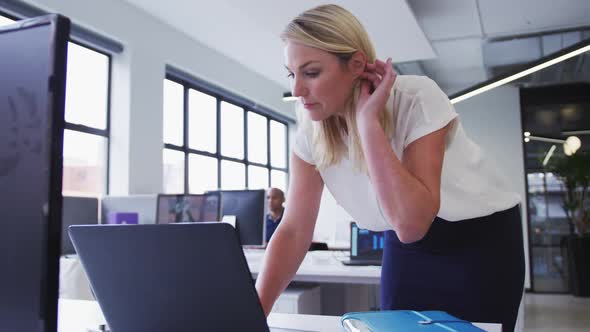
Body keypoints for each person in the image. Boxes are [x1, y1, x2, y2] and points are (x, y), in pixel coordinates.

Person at [255, 4, 525, 331]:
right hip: (403, 244)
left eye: (311, 73)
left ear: (355, 65)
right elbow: (294, 230)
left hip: (479, 241)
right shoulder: (311, 131)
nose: (297, 90)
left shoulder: (415, 97)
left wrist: (368, 124)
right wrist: (253, 316)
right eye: (291, 74)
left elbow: (413, 222)